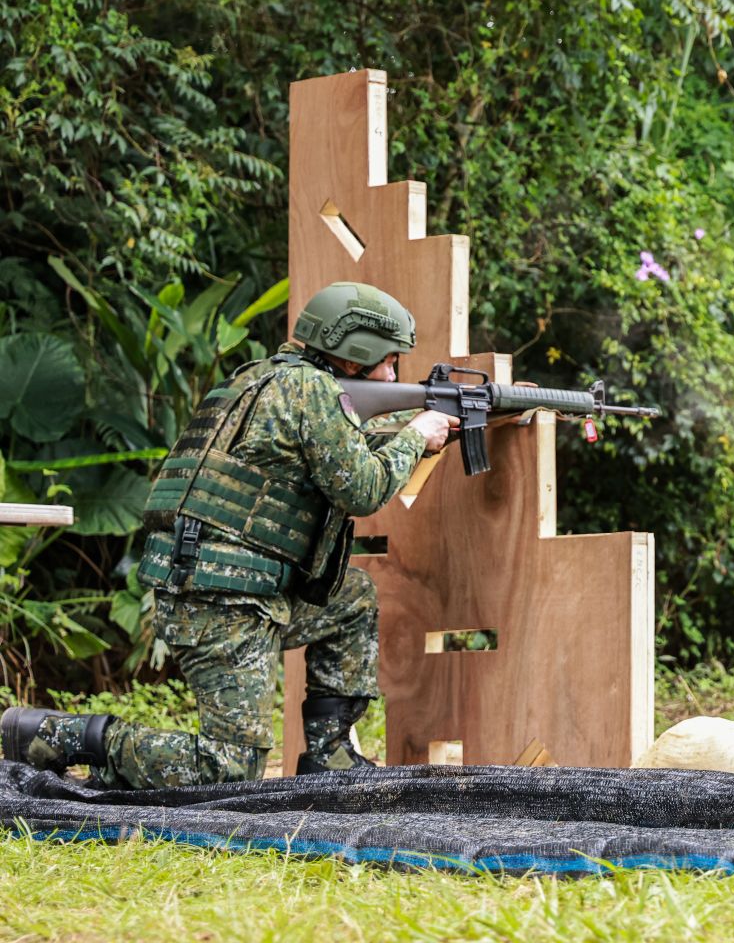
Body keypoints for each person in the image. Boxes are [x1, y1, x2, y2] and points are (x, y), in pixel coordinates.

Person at [1, 282, 457, 788]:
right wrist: (419, 435)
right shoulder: (311, 391)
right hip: (221, 602)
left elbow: (341, 442)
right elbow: (363, 489)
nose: (393, 374)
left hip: (225, 586)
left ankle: (330, 758)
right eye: (389, 362)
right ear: (356, 352)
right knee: (230, 768)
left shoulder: (258, 379)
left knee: (349, 597)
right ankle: (56, 734)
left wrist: (448, 417)